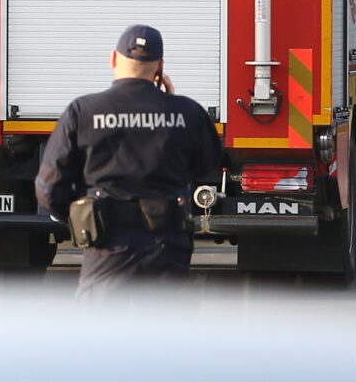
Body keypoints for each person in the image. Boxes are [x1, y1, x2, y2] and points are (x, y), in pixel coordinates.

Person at [34, 25, 222, 296]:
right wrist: (169, 105)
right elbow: (207, 164)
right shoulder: (188, 113)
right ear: (160, 66)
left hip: (106, 251)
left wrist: (84, 218)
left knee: (103, 334)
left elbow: (49, 189)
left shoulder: (83, 111)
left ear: (113, 59)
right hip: (167, 250)